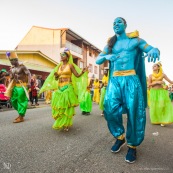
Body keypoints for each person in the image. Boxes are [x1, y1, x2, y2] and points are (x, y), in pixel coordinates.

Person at [96, 17, 160, 163]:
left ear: (125, 25)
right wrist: (107, 55)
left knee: (134, 112)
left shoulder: (136, 41)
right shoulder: (110, 43)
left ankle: (132, 145)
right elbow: (98, 59)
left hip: (131, 78)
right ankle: (120, 136)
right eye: (113, 23)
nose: (115, 24)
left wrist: (155, 49)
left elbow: (150, 48)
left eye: (118, 22)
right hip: (115, 80)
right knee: (109, 110)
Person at [39, 48, 88, 131]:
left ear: (67, 57)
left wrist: (82, 72)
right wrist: (56, 75)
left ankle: (66, 124)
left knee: (66, 106)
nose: (61, 57)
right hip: (60, 88)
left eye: (63, 55)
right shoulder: (59, 66)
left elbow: (77, 75)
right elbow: (57, 77)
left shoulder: (70, 65)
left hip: (68, 87)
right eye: (61, 55)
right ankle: (61, 121)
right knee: (60, 106)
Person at [5, 51, 31, 123]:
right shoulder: (12, 69)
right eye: (10, 60)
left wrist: (29, 83)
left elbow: (29, 74)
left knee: (21, 101)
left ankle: (21, 116)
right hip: (15, 87)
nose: (10, 62)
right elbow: (12, 78)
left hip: (22, 86)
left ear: (16, 60)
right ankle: (21, 113)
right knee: (13, 100)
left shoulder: (22, 67)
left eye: (12, 60)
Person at [148, 62, 173, 127]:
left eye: (155, 66)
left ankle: (163, 120)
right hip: (154, 92)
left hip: (161, 92)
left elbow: (170, 81)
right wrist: (157, 82)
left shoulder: (163, 75)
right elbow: (149, 84)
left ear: (158, 67)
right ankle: (157, 120)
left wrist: (165, 84)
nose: (153, 67)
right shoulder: (150, 75)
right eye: (152, 66)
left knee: (161, 106)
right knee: (155, 107)